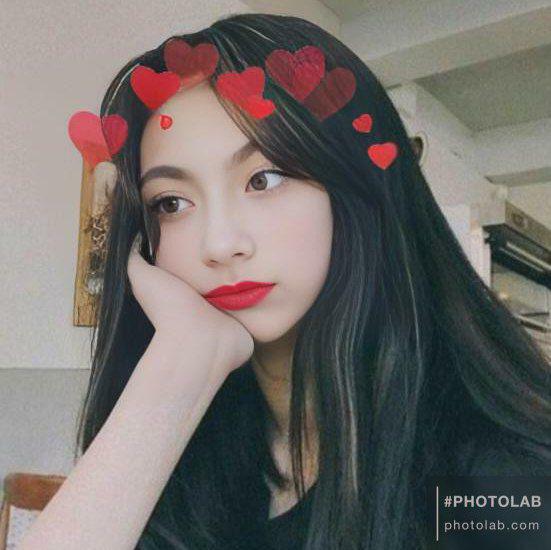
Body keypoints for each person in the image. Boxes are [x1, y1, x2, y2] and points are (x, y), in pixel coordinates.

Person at [20, 12, 551, 550]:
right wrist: (182, 363)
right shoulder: (190, 454)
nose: (219, 244)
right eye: (171, 203)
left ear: (356, 192)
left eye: (264, 178)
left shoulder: (499, 478)